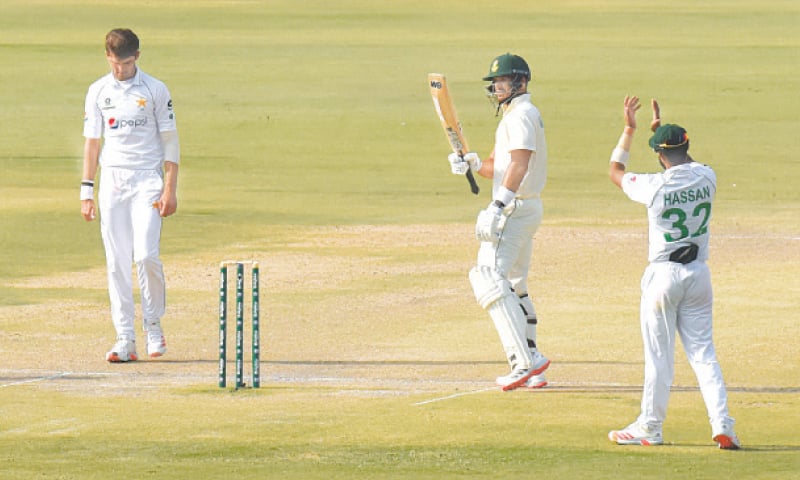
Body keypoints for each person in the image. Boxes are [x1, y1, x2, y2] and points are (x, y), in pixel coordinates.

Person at [605, 96, 740, 449]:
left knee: (659, 357)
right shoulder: (707, 176)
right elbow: (686, 162)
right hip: (698, 274)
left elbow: (615, 171)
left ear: (660, 156)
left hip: (663, 276)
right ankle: (722, 423)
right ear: (687, 146)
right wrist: (662, 139)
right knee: (704, 354)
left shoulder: (654, 186)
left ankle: (650, 426)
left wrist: (630, 130)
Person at [447, 53, 550, 391]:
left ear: (519, 82)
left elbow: (521, 163)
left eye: (500, 81)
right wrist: (474, 164)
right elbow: (500, 166)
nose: (495, 87)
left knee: (487, 276)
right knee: (515, 284)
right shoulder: (515, 115)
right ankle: (533, 363)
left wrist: (497, 205)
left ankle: (523, 362)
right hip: (525, 207)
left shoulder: (521, 116)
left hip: (514, 210)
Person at [80, 28, 180, 362]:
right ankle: (124, 338)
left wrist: (170, 188)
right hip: (113, 182)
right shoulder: (97, 90)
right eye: (113, 62)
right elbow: (92, 143)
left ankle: (153, 324)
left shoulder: (154, 89)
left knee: (146, 255)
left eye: (124, 62)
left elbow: (169, 140)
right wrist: (86, 190)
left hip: (146, 182)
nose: (119, 69)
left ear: (136, 56)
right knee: (116, 262)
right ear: (106, 56)